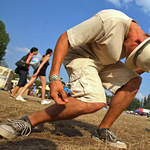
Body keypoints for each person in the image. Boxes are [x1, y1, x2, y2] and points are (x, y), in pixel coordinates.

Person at [0, 9, 150, 148]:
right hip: (82, 56)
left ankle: (102, 131)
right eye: (130, 57)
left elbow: (133, 71)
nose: (127, 58)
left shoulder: (137, 44)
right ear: (137, 42)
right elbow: (65, 38)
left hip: (106, 63)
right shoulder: (109, 20)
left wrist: (126, 82)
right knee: (95, 101)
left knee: (134, 80)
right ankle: (26, 122)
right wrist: (54, 78)